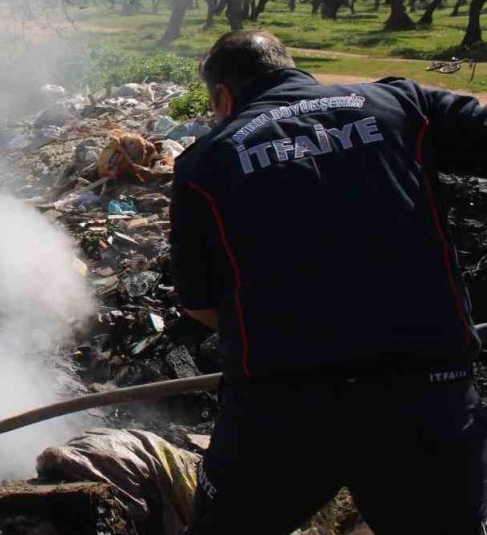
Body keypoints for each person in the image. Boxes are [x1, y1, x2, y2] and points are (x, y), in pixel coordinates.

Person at [170, 30, 487, 534]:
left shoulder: (204, 163)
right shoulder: (400, 102)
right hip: (427, 397)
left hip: (281, 412)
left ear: (222, 97)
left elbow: (201, 305)